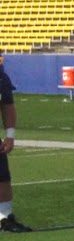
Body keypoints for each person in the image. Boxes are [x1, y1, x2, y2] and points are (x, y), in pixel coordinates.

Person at [0, 54, 30, 232]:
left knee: (3, 175)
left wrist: (10, 135)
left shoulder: (2, 77)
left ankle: (5, 217)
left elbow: (7, 105)